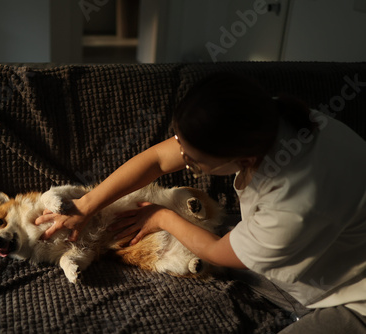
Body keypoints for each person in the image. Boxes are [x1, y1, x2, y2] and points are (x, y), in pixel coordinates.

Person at [35, 72, 366, 333]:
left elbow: (218, 252)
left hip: (354, 299)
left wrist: (162, 216)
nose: (185, 164)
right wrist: (87, 204)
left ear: (243, 157)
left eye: (193, 162)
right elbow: (157, 161)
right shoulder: (264, 114)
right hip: (320, 253)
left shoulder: (291, 209)